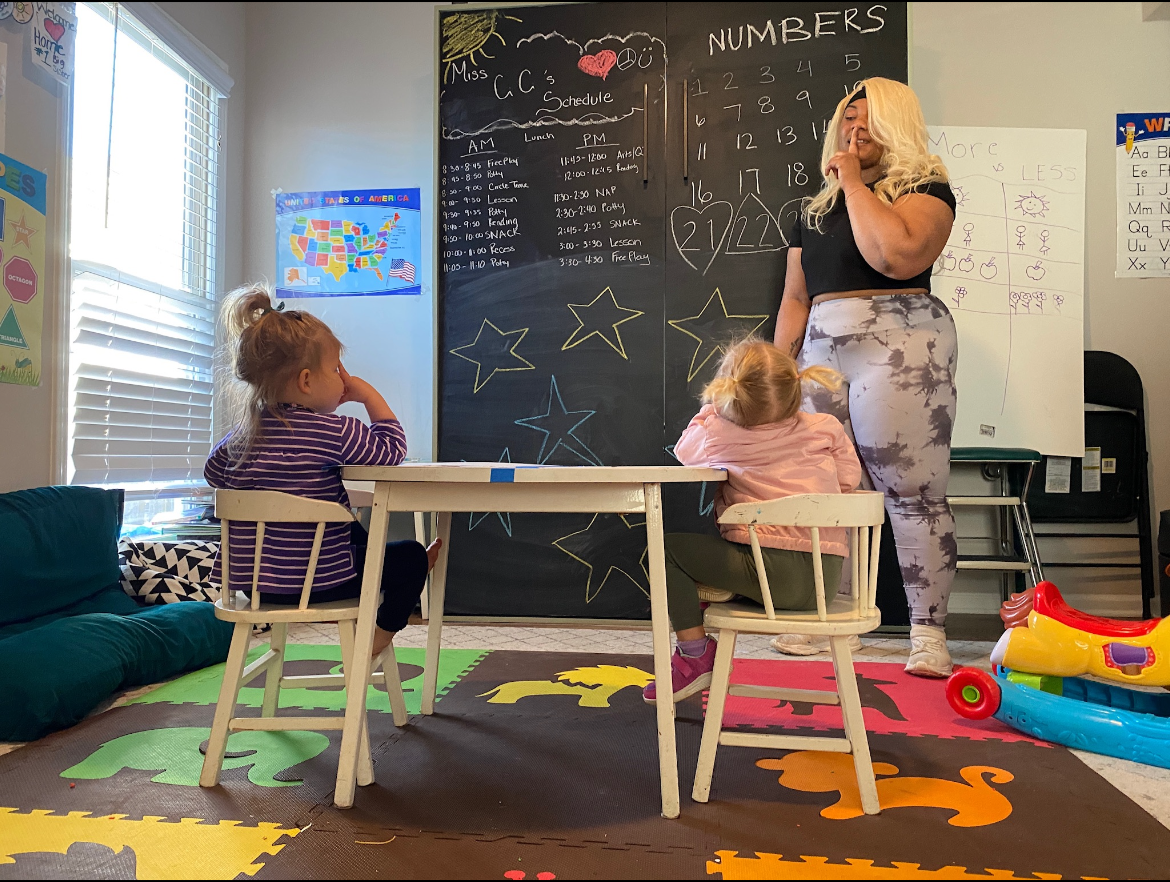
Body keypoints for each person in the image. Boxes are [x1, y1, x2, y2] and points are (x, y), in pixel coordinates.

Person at [772, 77, 958, 677]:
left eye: (869, 116)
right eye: (848, 116)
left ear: (896, 122)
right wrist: (778, 371)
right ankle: (835, 618)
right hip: (824, 344)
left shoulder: (925, 189)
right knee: (828, 488)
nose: (855, 127)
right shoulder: (813, 210)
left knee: (912, 490)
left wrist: (852, 181)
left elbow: (895, 257)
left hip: (901, 341)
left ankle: (927, 632)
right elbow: (795, 298)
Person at [205, 284, 439, 658]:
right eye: (335, 370)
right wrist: (368, 395)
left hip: (255, 588)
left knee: (346, 523)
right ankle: (379, 634)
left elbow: (214, 474)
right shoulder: (335, 432)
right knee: (410, 557)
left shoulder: (240, 439)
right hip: (322, 582)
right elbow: (392, 450)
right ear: (306, 381)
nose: (343, 379)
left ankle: (378, 567)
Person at [643, 339, 863, 704]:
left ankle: (695, 654)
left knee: (667, 550)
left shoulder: (719, 435)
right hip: (825, 582)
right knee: (736, 546)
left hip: (770, 576)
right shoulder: (825, 427)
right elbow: (848, 480)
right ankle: (722, 595)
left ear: (727, 395)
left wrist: (710, 412)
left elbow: (684, 451)